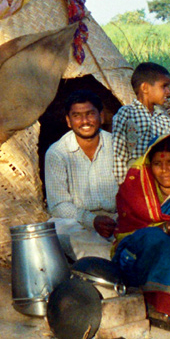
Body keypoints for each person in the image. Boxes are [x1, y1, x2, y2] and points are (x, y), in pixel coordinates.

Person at [113, 133, 170, 321]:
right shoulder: (136, 190)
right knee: (156, 240)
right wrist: (165, 229)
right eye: (157, 164)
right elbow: (129, 237)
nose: (164, 170)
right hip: (141, 257)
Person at [44, 90, 118, 259]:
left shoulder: (116, 145)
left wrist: (121, 219)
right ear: (69, 121)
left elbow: (129, 189)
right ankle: (110, 261)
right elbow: (59, 205)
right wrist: (92, 220)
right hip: (79, 222)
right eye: (77, 116)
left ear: (102, 117)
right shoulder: (57, 153)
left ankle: (110, 258)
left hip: (115, 219)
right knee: (57, 228)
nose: (84, 121)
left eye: (90, 114)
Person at [112, 62, 170, 185]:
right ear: (145, 88)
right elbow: (119, 154)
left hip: (160, 181)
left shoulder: (164, 118)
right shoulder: (126, 114)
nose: (168, 91)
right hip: (134, 182)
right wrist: (123, 185)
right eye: (164, 86)